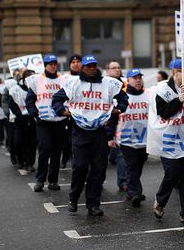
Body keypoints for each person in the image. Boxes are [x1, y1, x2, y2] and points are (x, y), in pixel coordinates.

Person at [52, 54, 128, 216]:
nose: (92, 69)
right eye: (88, 66)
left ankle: (93, 204)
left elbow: (124, 99)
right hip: (80, 131)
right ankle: (73, 197)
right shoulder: (74, 83)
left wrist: (119, 109)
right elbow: (56, 99)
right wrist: (62, 111)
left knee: (98, 169)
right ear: (83, 68)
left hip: (100, 131)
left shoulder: (109, 83)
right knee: (80, 167)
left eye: (94, 66)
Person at [148, 58, 184, 224]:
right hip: (168, 140)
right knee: (172, 174)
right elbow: (163, 112)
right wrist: (178, 100)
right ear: (175, 72)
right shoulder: (161, 90)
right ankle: (160, 200)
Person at [26, 54, 67, 192]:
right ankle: (40, 179)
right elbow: (30, 100)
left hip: (59, 121)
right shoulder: (37, 80)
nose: (53, 65)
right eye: (50, 63)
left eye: (55, 63)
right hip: (43, 121)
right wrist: (34, 114)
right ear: (45, 65)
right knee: (45, 149)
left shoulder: (64, 80)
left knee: (56, 151)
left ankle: (53, 180)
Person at [116, 68, 150, 206]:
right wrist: (111, 136)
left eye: (139, 78)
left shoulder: (148, 94)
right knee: (131, 166)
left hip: (145, 140)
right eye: (134, 78)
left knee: (138, 166)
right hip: (126, 139)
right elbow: (114, 117)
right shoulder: (121, 96)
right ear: (128, 80)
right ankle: (135, 193)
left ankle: (132, 190)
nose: (138, 80)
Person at [105, 60, 128, 191]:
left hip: (123, 124)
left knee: (121, 155)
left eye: (119, 67)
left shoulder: (124, 83)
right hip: (106, 124)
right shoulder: (104, 84)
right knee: (101, 157)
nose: (117, 70)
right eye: (114, 68)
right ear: (108, 70)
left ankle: (123, 181)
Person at [8, 69, 37, 171]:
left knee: (31, 143)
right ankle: (20, 160)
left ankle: (30, 163)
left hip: (32, 119)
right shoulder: (15, 89)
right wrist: (19, 114)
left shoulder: (37, 90)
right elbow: (11, 104)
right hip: (20, 119)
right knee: (18, 142)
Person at [59, 54, 82, 169]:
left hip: (84, 115)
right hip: (68, 115)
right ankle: (66, 159)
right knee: (67, 141)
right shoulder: (64, 79)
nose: (76, 63)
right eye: (73, 62)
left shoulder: (87, 77)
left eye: (78, 61)